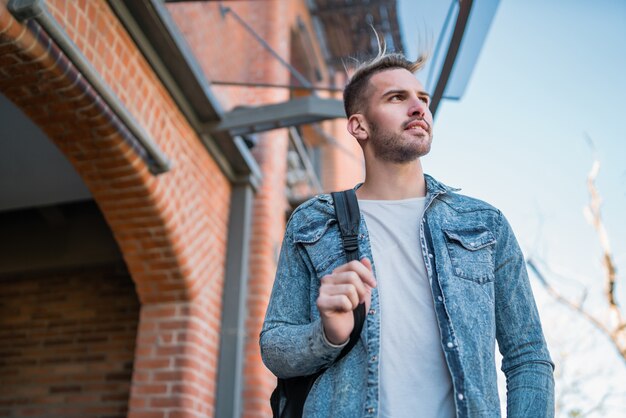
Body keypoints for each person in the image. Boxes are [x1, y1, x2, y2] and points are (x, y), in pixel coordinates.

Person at [260, 51, 555, 418]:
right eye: (397, 98)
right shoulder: (313, 222)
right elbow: (274, 347)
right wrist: (328, 334)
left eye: (423, 99)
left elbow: (528, 355)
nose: (418, 108)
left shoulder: (484, 223)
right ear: (359, 126)